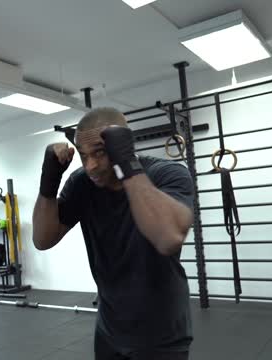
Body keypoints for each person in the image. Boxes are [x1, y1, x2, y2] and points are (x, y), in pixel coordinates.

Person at [32, 107, 195, 360]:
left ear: (123, 145)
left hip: (161, 331)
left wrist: (126, 164)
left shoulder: (167, 174)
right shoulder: (82, 184)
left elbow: (168, 238)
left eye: (99, 152)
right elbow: (42, 239)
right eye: (84, 156)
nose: (91, 166)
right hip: (109, 328)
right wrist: (48, 183)